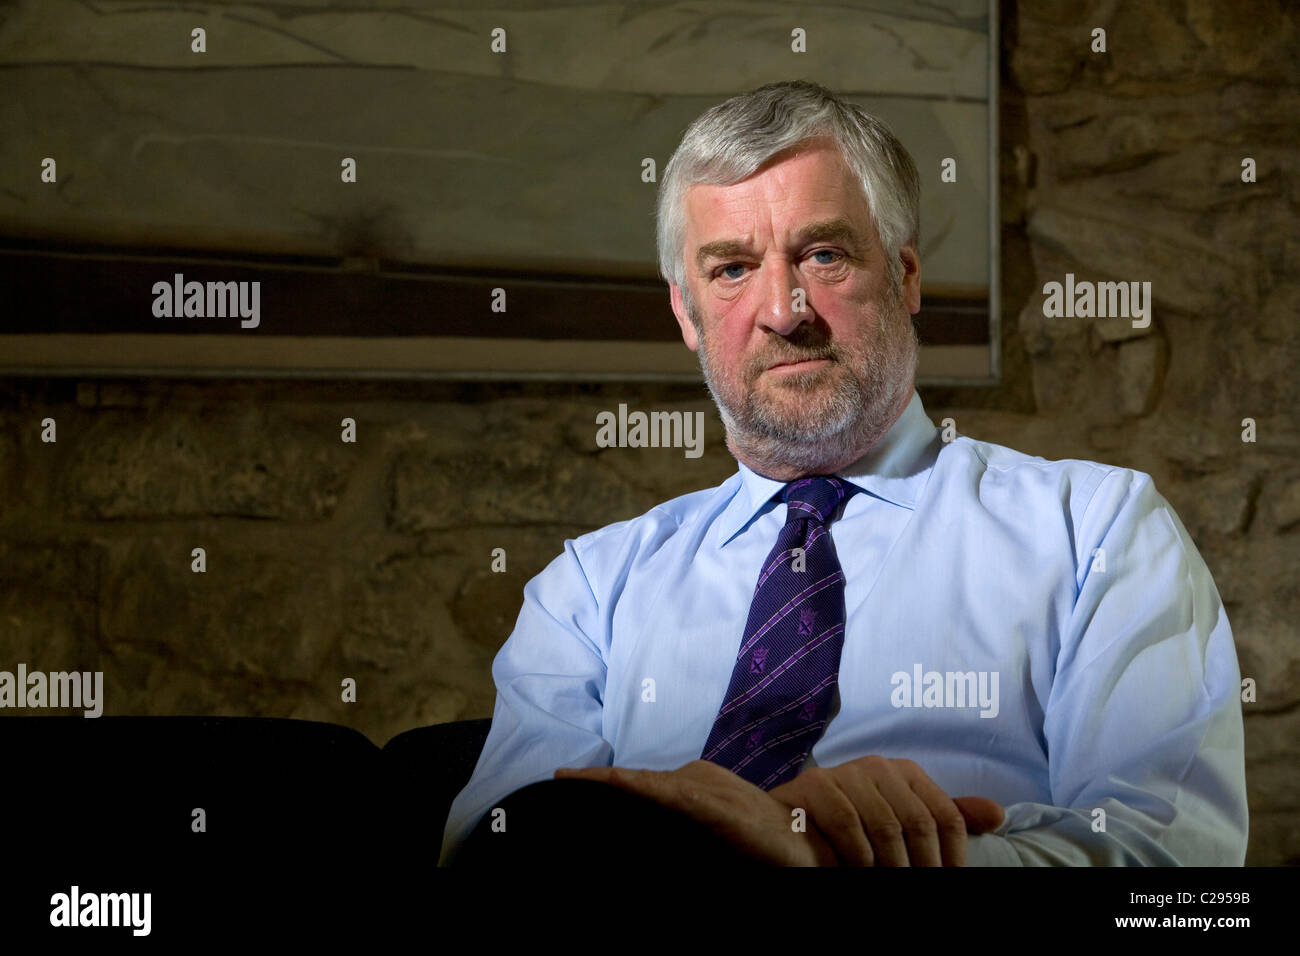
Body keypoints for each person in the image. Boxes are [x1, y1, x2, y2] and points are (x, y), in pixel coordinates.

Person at [438, 80, 1247, 867]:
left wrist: (894, 858)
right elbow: (497, 851)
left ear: (906, 277)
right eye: (730, 270)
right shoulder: (588, 592)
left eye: (824, 255)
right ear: (686, 313)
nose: (784, 310)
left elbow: (1168, 860)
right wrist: (695, 830)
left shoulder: (1096, 531)